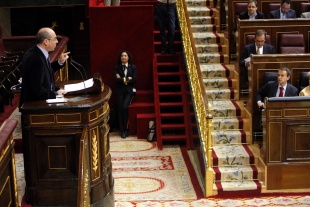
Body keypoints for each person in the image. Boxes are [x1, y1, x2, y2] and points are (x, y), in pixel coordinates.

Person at [20, 27, 70, 106]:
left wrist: (60, 62)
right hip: (35, 106)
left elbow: (44, 71)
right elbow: (36, 90)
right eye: (55, 39)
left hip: (40, 101)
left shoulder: (38, 53)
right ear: (46, 41)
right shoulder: (35, 59)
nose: (57, 42)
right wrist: (56, 94)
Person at [114, 50, 137, 138]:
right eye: (122, 56)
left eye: (125, 56)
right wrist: (128, 79)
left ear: (128, 57)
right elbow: (116, 80)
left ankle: (126, 128)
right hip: (120, 91)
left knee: (125, 107)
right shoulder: (117, 67)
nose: (123, 57)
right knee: (120, 108)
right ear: (120, 58)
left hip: (129, 91)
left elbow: (134, 79)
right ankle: (122, 130)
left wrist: (122, 79)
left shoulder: (133, 67)